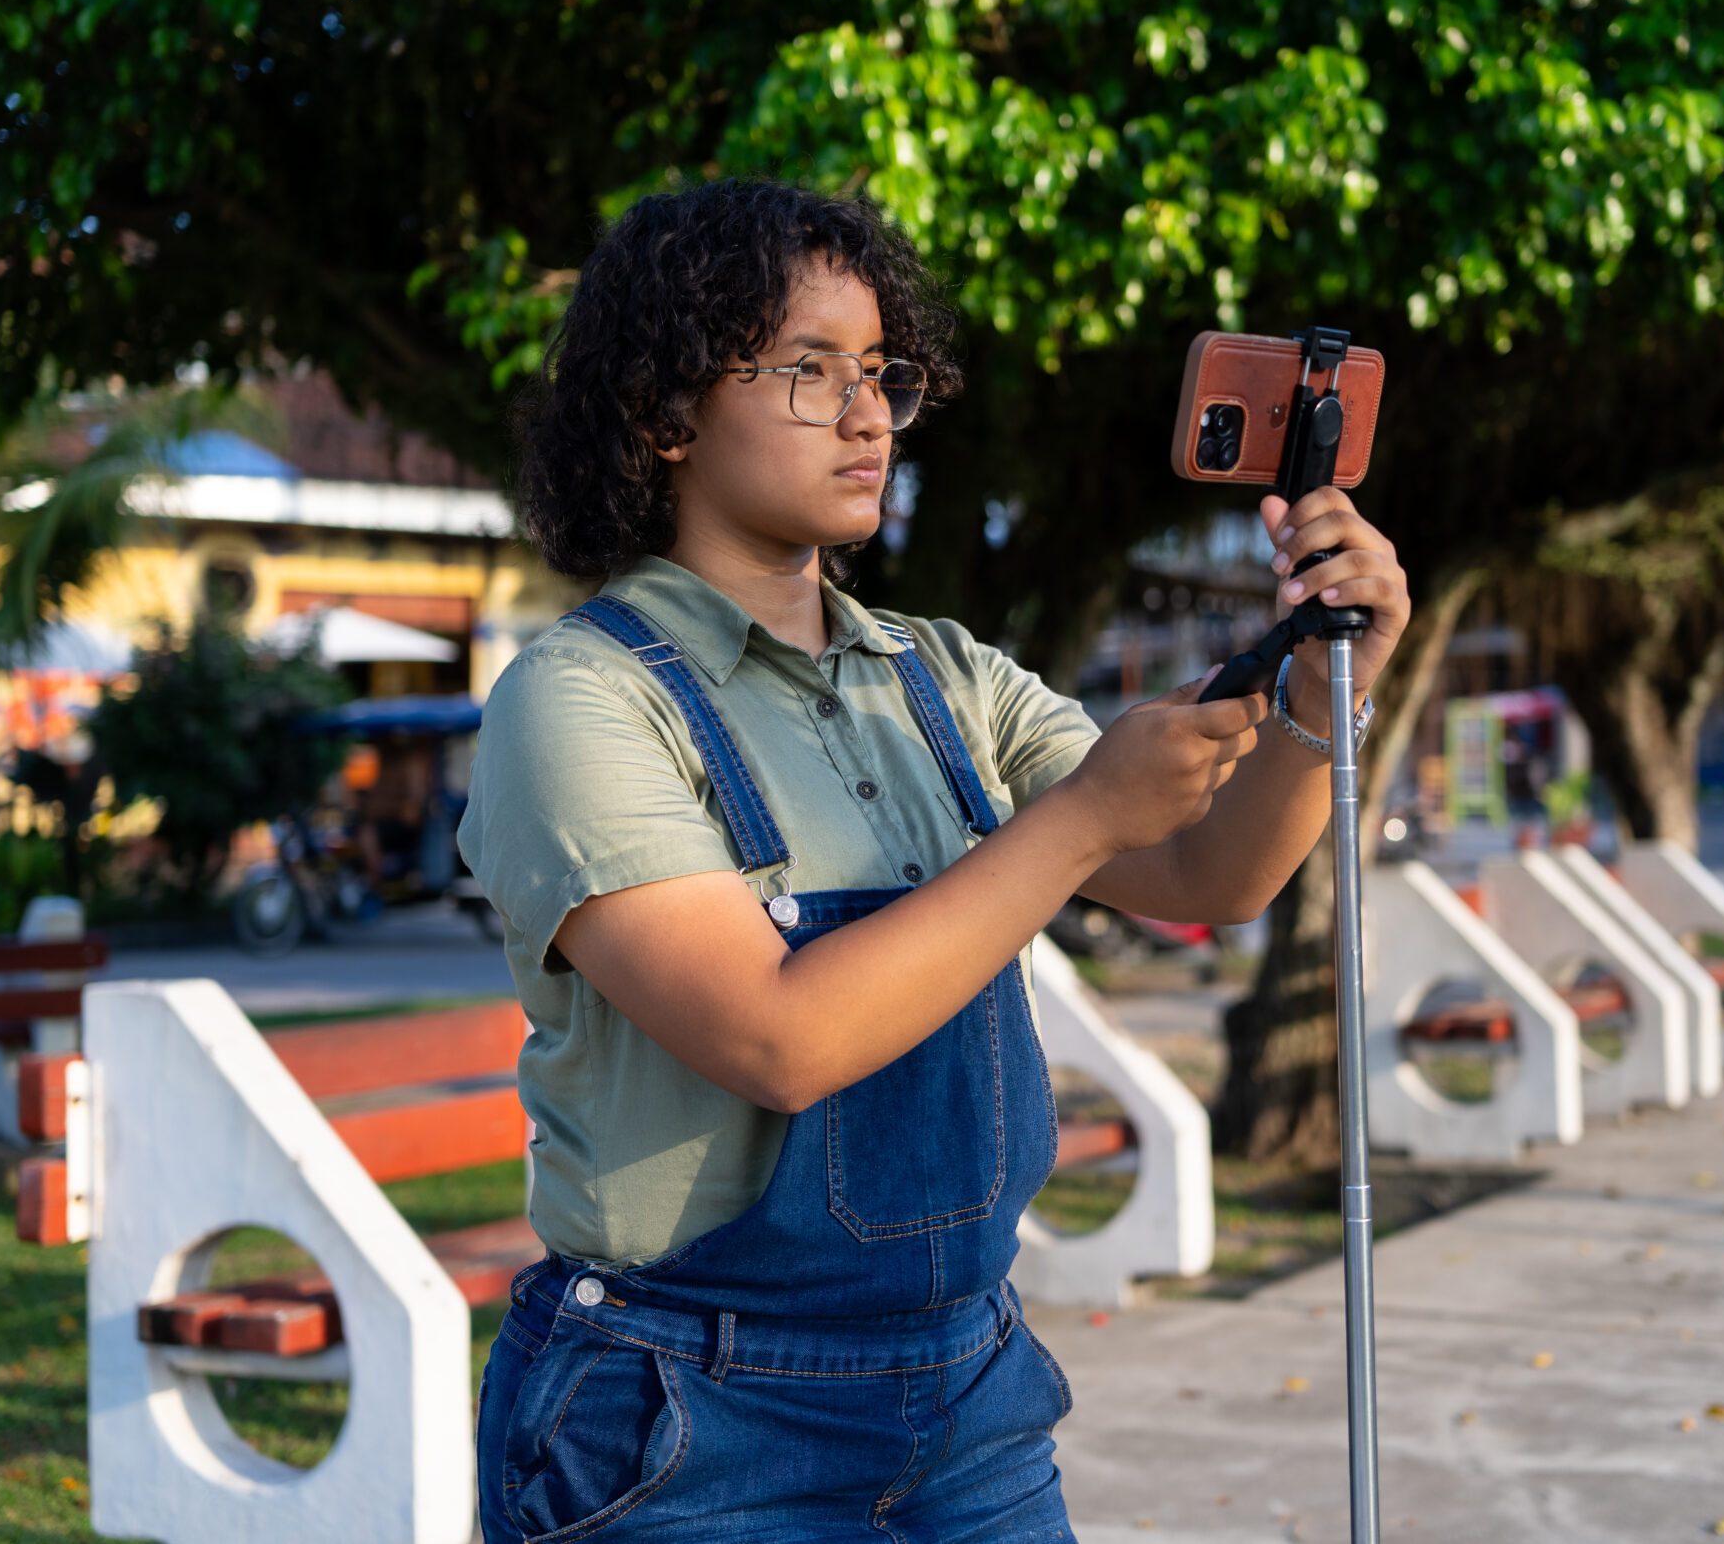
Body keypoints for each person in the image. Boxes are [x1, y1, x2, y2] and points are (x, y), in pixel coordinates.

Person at [455, 178, 1410, 1542]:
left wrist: (1327, 691)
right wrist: (1079, 820)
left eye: (880, 372)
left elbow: (1208, 875)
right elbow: (776, 1036)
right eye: (805, 370)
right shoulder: (583, 700)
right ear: (666, 413)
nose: (865, 415)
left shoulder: (940, 675)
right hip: (686, 1417)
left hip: (969, 1394)